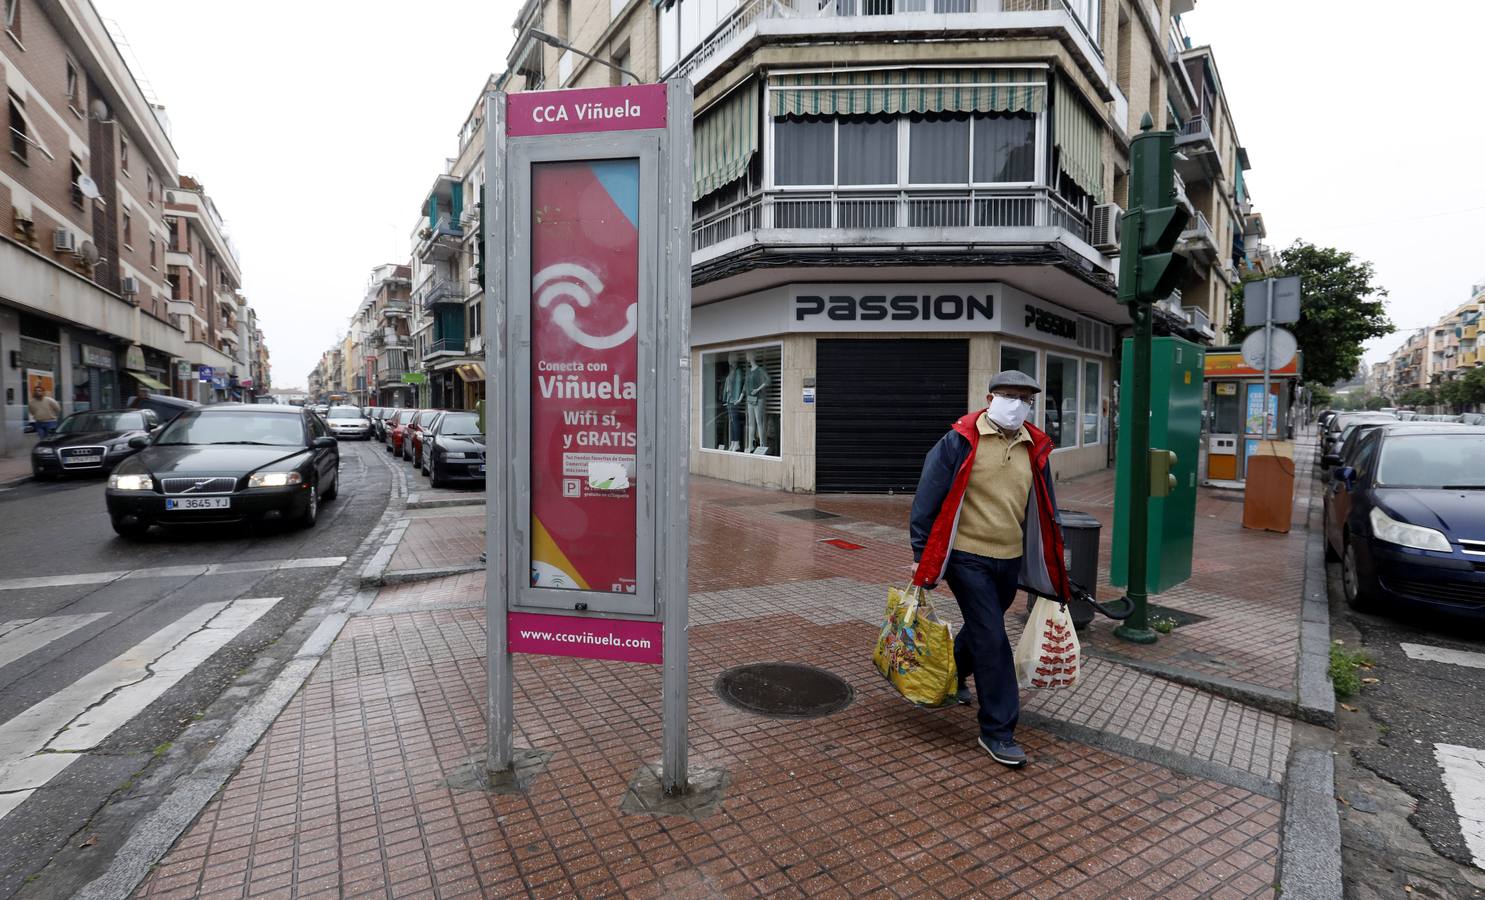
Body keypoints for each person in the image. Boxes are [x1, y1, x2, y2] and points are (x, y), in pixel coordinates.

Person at [909, 370, 1071, 768]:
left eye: (1025, 398)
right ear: (990, 397)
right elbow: (928, 495)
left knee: (984, 626)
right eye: (1008, 395)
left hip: (1009, 557)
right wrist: (920, 551)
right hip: (967, 556)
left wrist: (1052, 556)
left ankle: (951, 677)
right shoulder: (960, 440)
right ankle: (997, 730)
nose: (1016, 404)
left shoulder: (1035, 447)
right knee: (994, 639)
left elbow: (1046, 507)